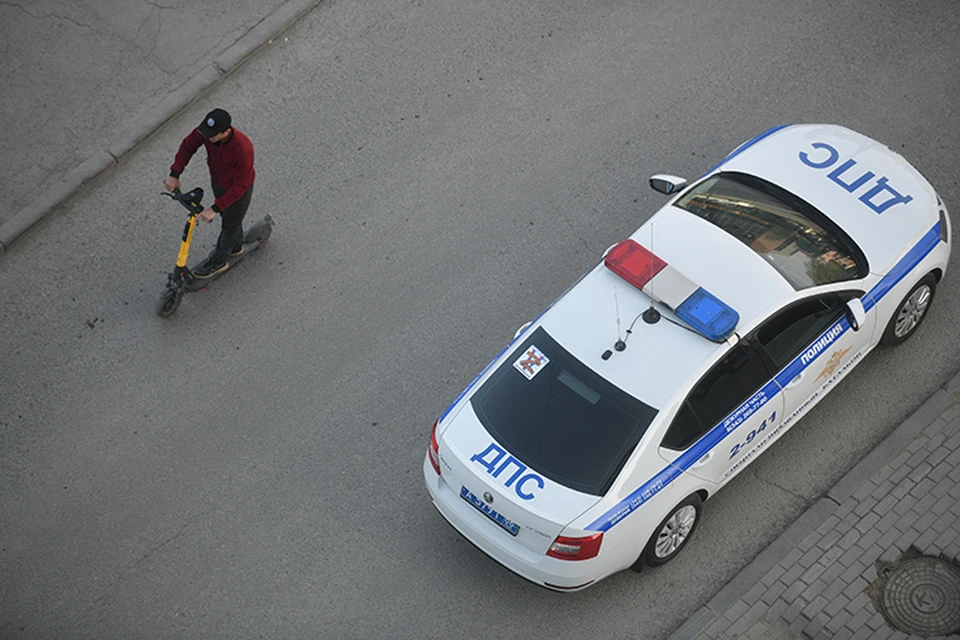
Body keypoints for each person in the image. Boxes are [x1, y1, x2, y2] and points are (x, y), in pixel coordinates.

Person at [164, 108, 256, 278]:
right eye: (205, 133)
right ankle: (236, 246)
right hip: (219, 181)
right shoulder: (206, 132)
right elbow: (188, 146)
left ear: (226, 132)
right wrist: (174, 174)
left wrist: (215, 208)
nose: (207, 138)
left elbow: (240, 186)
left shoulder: (243, 149)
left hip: (238, 190)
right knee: (231, 218)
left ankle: (218, 261)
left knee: (229, 225)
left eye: (212, 136)